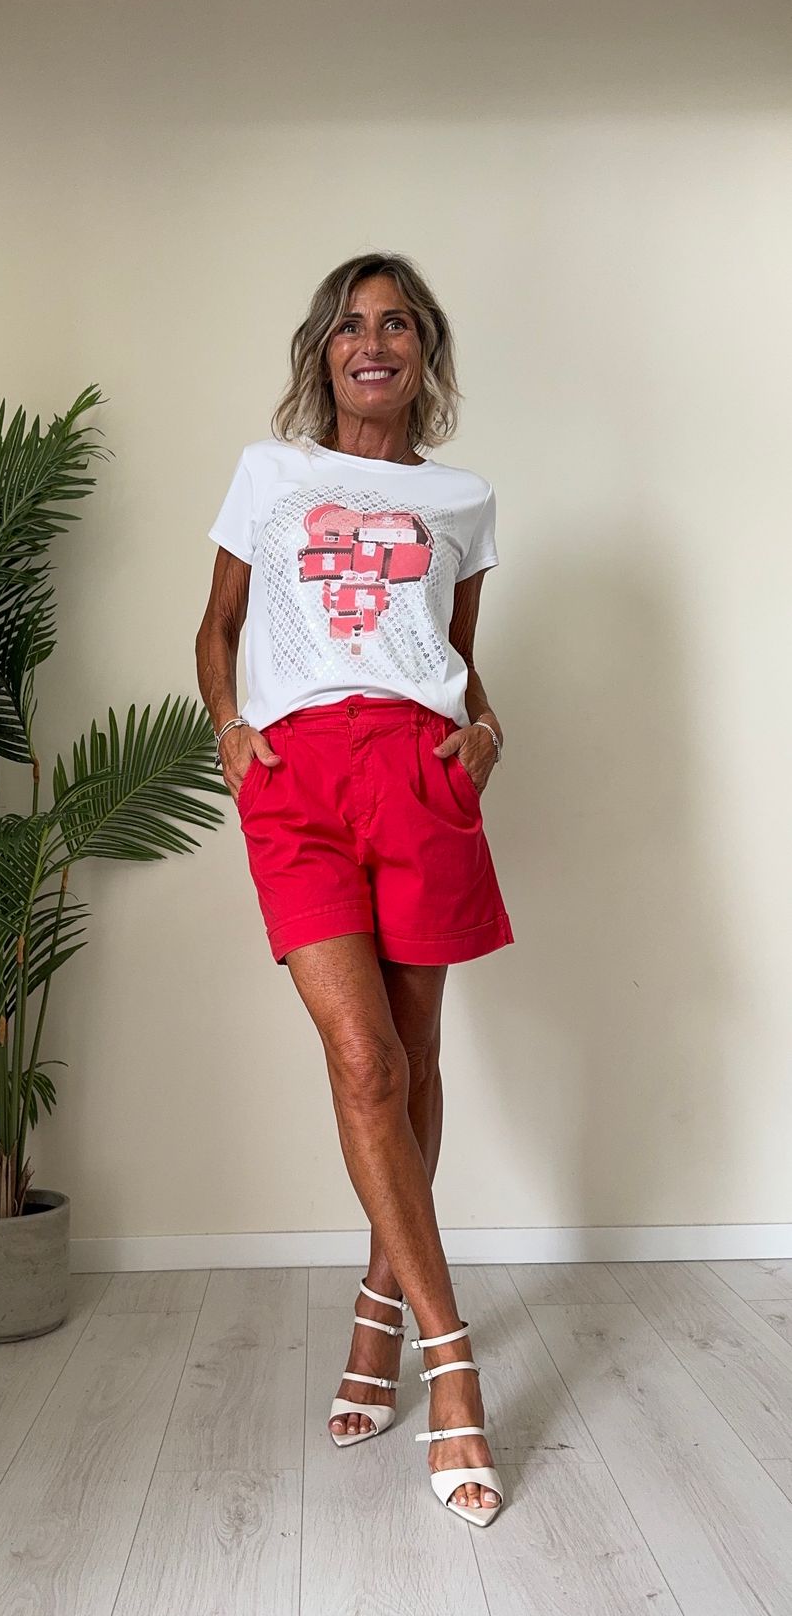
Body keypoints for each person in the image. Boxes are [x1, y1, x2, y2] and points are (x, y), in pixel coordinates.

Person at [194, 252, 512, 1526]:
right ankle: (454, 1364)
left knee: (414, 1059)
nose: (369, 343)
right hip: (298, 778)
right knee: (364, 1061)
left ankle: (378, 1312)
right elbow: (217, 626)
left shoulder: (461, 498)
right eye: (346, 326)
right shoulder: (268, 474)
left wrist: (484, 729)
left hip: (417, 774)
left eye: (393, 324)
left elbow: (451, 655)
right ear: (320, 352)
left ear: (423, 350)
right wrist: (229, 728)